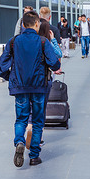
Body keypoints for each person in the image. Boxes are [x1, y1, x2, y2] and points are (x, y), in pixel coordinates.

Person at [0, 10, 61, 167]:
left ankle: (19, 141)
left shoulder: (13, 41)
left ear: (23, 25)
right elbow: (55, 63)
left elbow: (2, 65)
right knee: (38, 121)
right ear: (37, 24)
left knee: (21, 119)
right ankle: (34, 156)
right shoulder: (42, 42)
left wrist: (10, 78)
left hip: (19, 87)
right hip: (39, 86)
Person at [25, 19, 62, 150]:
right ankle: (38, 138)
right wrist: (53, 40)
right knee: (41, 108)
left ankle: (29, 126)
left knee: (29, 107)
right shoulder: (46, 43)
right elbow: (58, 54)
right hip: (44, 80)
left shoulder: (28, 42)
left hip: (27, 80)